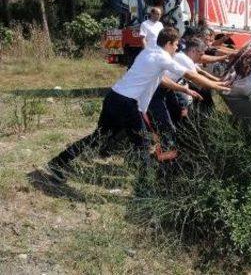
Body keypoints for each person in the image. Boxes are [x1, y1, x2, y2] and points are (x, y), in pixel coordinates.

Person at [47, 28, 230, 182]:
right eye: (175, 45)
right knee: (142, 144)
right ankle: (148, 184)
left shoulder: (149, 51)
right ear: (168, 44)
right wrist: (218, 85)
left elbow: (163, 79)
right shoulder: (163, 57)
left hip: (114, 97)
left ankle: (58, 162)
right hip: (126, 104)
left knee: (99, 136)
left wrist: (185, 91)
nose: (177, 49)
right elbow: (191, 75)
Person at [148, 37, 227, 143]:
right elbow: (197, 80)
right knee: (165, 121)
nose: (201, 58)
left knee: (176, 113)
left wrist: (220, 82)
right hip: (155, 90)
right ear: (193, 51)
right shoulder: (185, 60)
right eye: (201, 54)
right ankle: (167, 145)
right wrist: (219, 86)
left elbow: (201, 73)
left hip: (166, 88)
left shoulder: (184, 57)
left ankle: (178, 139)